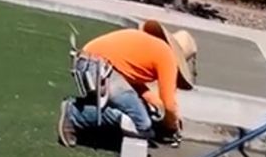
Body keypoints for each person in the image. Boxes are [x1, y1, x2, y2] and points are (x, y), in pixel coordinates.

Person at [57, 19, 197, 147]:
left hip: (85, 62)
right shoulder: (167, 56)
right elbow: (170, 105)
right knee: (142, 125)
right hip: (100, 69)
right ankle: (75, 114)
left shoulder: (150, 45)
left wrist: (155, 104)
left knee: (133, 106)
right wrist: (172, 125)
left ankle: (86, 110)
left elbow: (134, 83)